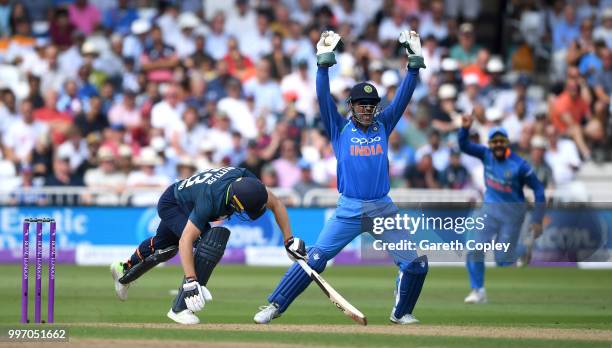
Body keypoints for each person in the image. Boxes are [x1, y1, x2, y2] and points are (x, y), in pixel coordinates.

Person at [254, 30, 427, 325]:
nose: (367, 109)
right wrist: (323, 64)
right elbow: (322, 95)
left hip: (383, 208)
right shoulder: (339, 128)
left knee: (417, 265)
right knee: (315, 261)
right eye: (361, 105)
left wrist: (413, 64)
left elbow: (404, 97)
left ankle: (401, 313)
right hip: (349, 209)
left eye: (371, 105)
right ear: (352, 106)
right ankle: (274, 306)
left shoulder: (384, 123)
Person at [110, 166, 307, 324]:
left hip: (187, 196)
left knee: (163, 247)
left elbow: (277, 204)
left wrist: (288, 240)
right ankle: (180, 308)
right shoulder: (211, 200)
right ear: (236, 203)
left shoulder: (248, 182)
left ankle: (122, 270)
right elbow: (186, 240)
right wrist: (191, 280)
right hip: (175, 204)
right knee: (209, 241)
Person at [459, 114, 545, 304]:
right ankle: (478, 291)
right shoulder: (485, 154)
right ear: (489, 144)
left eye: (501, 141)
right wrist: (464, 129)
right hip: (489, 211)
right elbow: (464, 146)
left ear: (507, 143)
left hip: (513, 215)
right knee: (474, 250)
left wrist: (537, 219)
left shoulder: (520, 165)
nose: (498, 145)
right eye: (494, 142)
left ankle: (522, 250)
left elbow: (539, 189)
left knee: (503, 260)